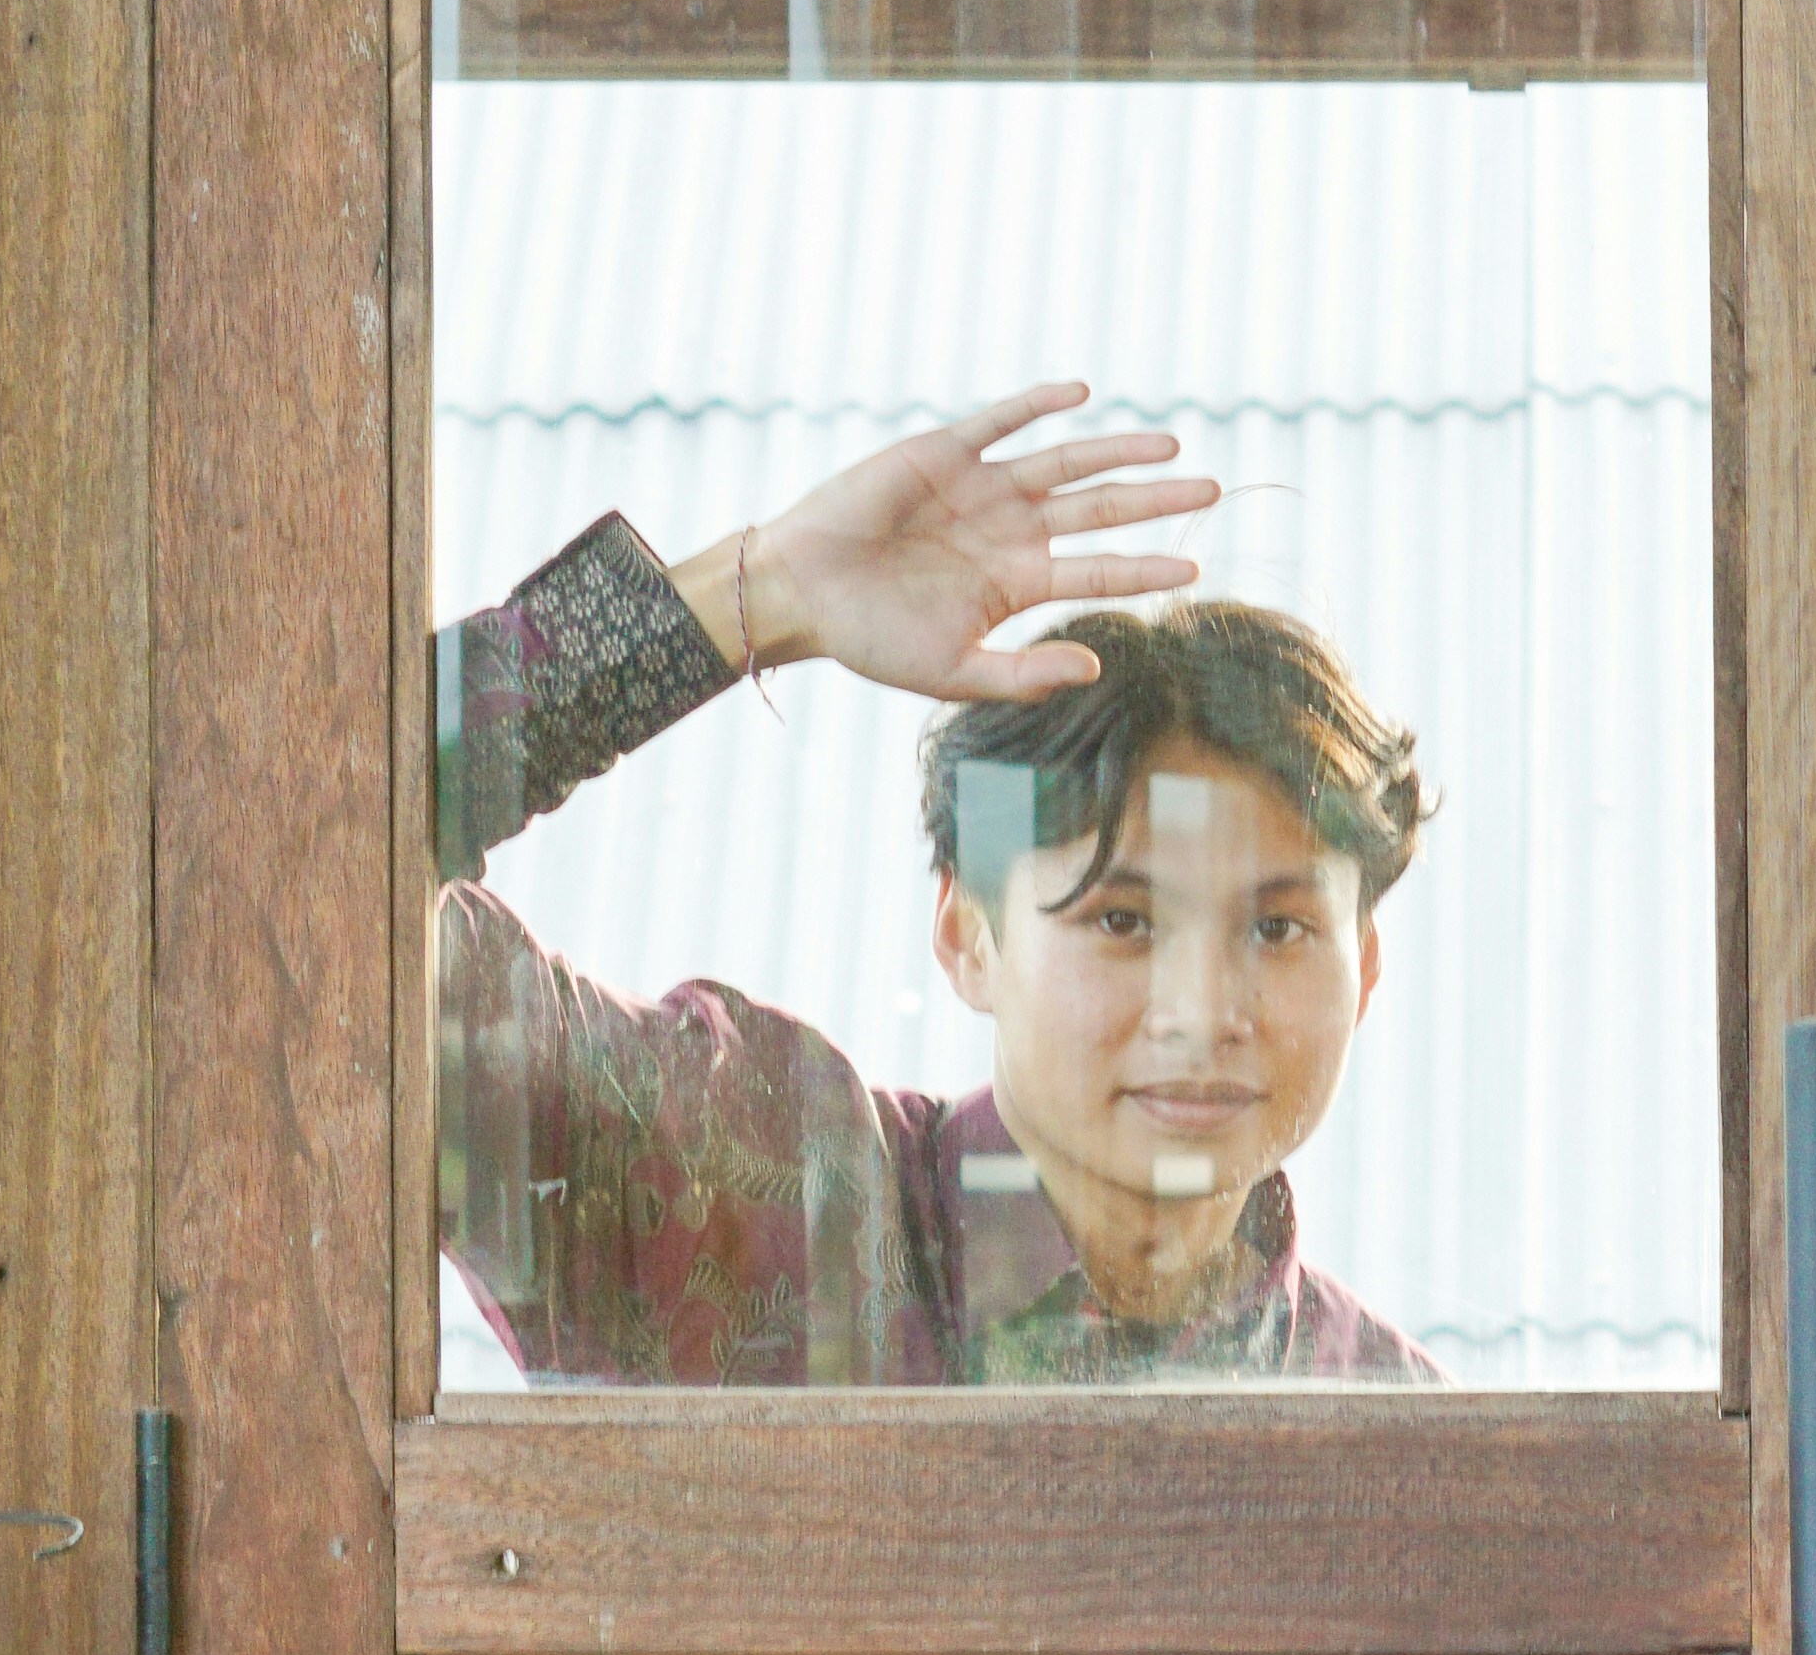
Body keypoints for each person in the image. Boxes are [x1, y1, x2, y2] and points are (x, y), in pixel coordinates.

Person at [434, 382, 1437, 1383]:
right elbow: (346, 889)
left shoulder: (1397, 1418)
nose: (1203, 1014)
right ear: (968, 935)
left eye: (1277, 929)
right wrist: (761, 594)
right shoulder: (738, 1193)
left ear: (1366, 966)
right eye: (1123, 919)